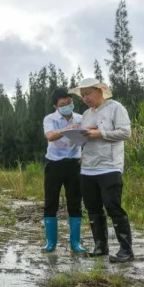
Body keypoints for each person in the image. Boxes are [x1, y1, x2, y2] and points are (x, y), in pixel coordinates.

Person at [69, 78, 134, 263]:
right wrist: (79, 134)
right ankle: (100, 247)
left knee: (113, 207)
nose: (85, 98)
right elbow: (86, 138)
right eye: (82, 95)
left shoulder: (116, 108)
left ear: (100, 90)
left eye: (88, 93)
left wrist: (101, 133)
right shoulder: (87, 114)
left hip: (110, 166)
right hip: (88, 168)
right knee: (93, 209)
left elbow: (125, 133)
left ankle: (126, 251)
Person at [41, 88, 86, 254]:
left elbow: (87, 139)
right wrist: (67, 129)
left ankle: (75, 243)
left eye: (69, 102)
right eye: (62, 104)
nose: (67, 106)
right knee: (50, 202)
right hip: (53, 164)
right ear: (56, 106)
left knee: (75, 202)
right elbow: (50, 136)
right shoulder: (50, 119)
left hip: (74, 164)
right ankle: (50, 242)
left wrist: (84, 154)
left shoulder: (81, 118)